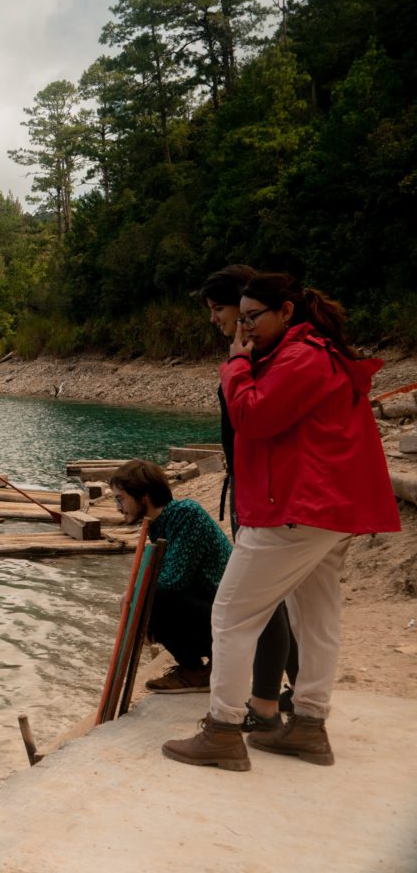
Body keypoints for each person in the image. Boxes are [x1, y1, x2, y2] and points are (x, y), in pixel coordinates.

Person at [163, 274, 400, 771]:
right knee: (316, 618)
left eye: (252, 317)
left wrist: (236, 363)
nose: (243, 328)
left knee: (230, 615)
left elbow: (252, 416)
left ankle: (223, 730)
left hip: (296, 507)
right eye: (241, 318)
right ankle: (309, 726)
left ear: (287, 311)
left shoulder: (301, 357)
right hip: (324, 508)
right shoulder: (317, 352)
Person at [196, 265, 299, 730]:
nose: (215, 319)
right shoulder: (262, 355)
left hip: (261, 490)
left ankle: (259, 708)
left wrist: (237, 363)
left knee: (253, 604)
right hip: (257, 486)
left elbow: (252, 421)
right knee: (282, 600)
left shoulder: (259, 359)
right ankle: (293, 693)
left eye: (219, 310)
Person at [109, 460, 232, 693]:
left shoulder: (185, 513)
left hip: (228, 615)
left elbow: (173, 581)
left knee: (154, 596)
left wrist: (138, 607)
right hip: (212, 610)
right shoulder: (160, 523)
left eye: (120, 498)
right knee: (149, 597)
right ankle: (196, 668)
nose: (118, 506)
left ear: (143, 496)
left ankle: (194, 670)